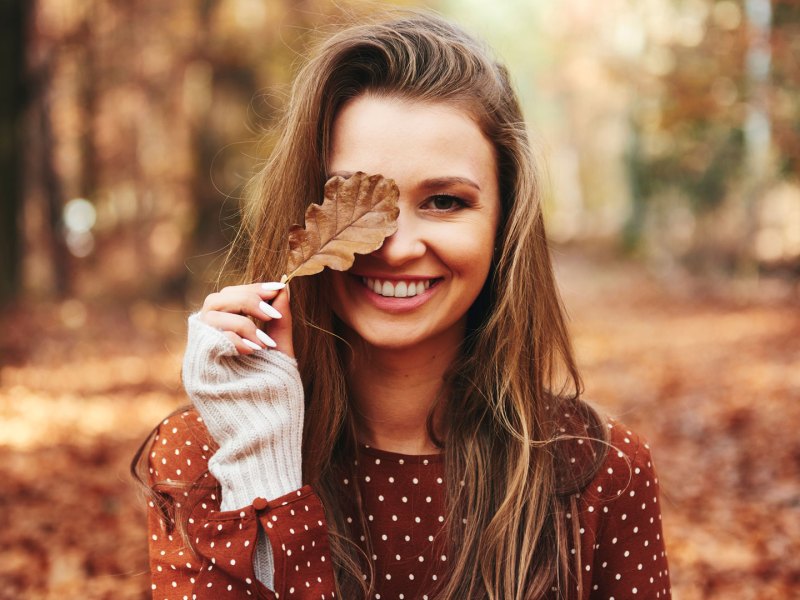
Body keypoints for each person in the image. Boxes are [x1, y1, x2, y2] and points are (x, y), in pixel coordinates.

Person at [133, 11, 671, 600]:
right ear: (306, 213)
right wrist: (265, 468)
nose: (395, 247)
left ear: (503, 224)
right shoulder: (210, 456)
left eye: (443, 201)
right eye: (355, 199)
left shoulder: (601, 471)